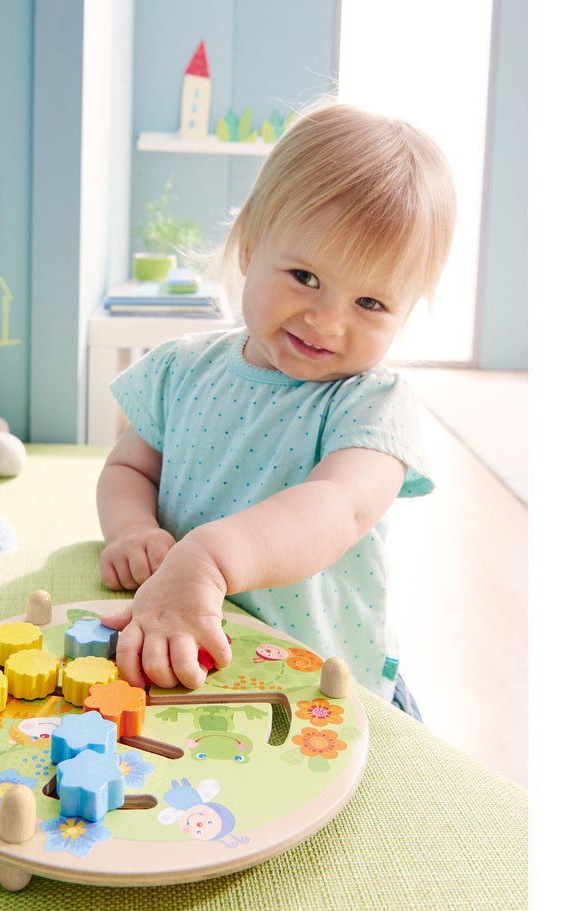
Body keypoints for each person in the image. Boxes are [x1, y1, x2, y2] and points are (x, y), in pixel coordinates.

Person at [96, 101, 456, 717]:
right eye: (305, 277)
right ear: (248, 247)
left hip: (323, 681)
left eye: (370, 302)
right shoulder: (181, 369)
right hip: (186, 649)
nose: (328, 320)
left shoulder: (372, 404)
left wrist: (208, 559)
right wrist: (132, 529)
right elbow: (129, 468)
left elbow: (336, 508)